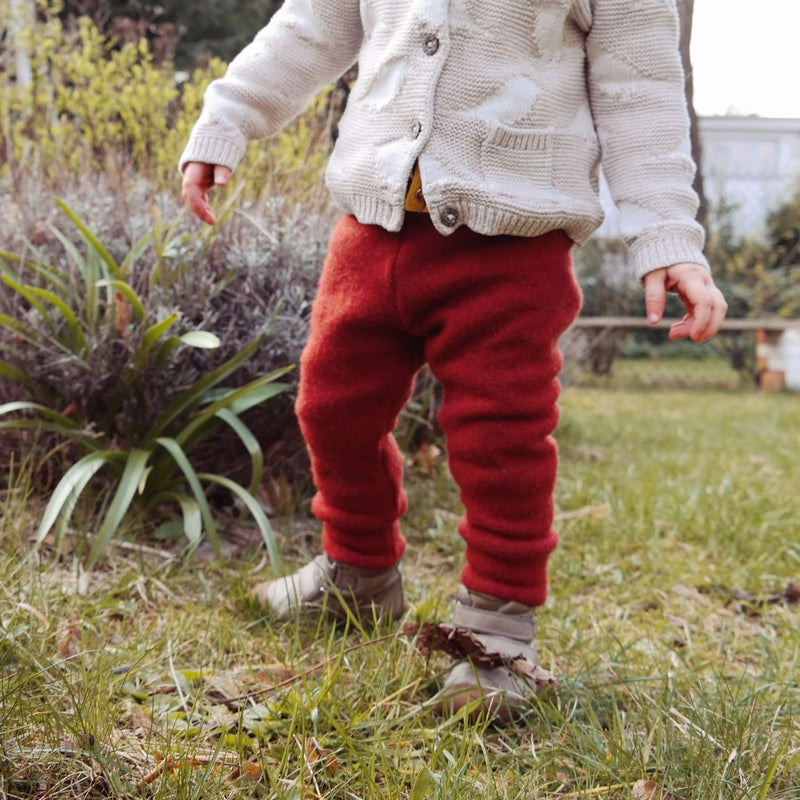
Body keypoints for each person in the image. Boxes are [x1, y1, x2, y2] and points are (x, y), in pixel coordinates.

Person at [180, 0, 727, 720]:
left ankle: (497, 626)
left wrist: (667, 236)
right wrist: (229, 119)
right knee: (330, 406)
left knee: (500, 433)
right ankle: (358, 569)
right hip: (371, 229)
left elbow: (640, 89)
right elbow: (311, 26)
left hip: (514, 244)